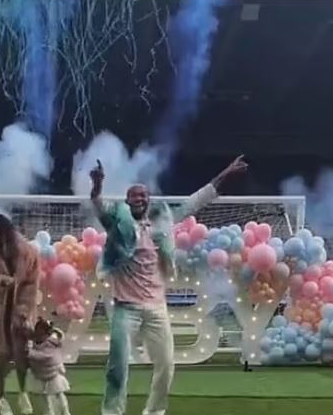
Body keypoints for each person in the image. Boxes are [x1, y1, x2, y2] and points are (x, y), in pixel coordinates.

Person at [90, 156, 248, 415]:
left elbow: (196, 200)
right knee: (117, 366)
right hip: (125, 309)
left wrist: (226, 173)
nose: (139, 199)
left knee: (166, 365)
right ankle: (112, 412)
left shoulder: (162, 220)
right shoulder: (116, 222)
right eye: (134, 196)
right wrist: (97, 186)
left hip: (156, 308)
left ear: (148, 200)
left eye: (143, 195)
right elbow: (98, 205)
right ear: (127, 201)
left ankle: (154, 411)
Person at [0, 213, 40, 415]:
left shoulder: (27, 252)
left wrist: (23, 310)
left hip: (20, 309)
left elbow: (32, 283)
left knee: (22, 354)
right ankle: (1, 397)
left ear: (4, 233)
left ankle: (23, 392)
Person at [27, 317, 71, 415]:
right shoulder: (35, 343)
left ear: (47, 334)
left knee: (59, 394)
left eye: (42, 333)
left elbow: (44, 357)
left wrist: (29, 352)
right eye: (38, 332)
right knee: (45, 397)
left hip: (52, 374)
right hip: (41, 374)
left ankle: (65, 412)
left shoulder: (51, 344)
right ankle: (49, 413)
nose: (39, 335)